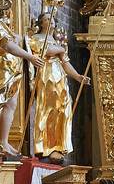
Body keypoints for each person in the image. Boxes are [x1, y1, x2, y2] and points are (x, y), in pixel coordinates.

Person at [0, 13, 45, 157]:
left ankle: (2, 141)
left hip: (9, 69)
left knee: (10, 105)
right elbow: (6, 44)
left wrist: (15, 39)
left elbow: (14, 39)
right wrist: (30, 57)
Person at [28, 16, 90, 161]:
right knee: (48, 110)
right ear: (40, 23)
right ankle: (44, 146)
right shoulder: (37, 37)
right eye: (46, 19)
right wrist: (60, 49)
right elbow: (47, 51)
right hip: (46, 77)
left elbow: (65, 63)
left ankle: (57, 146)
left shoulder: (56, 41)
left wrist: (78, 77)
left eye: (52, 18)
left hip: (60, 78)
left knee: (62, 110)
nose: (50, 21)